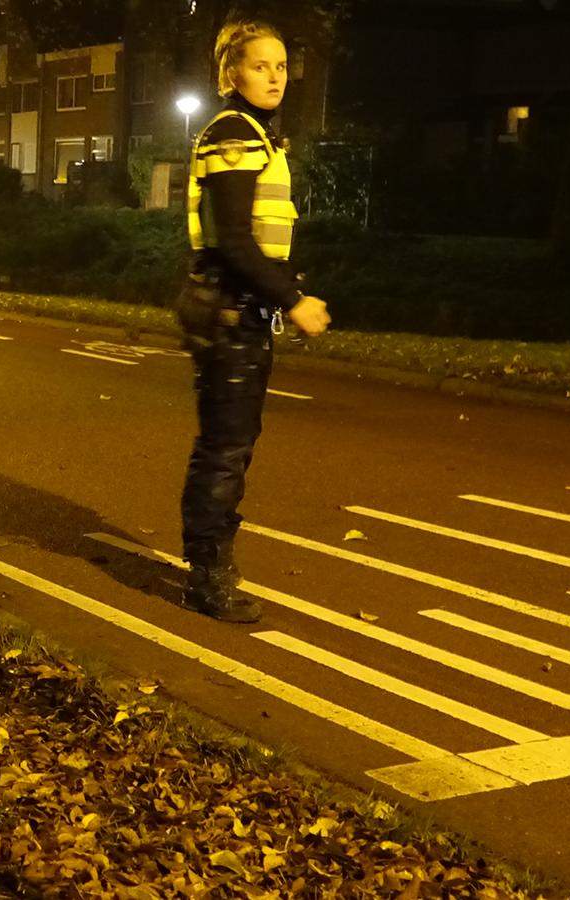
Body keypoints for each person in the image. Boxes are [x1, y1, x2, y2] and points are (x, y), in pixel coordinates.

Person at [176, 20, 331, 623]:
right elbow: (237, 243)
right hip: (228, 306)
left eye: (282, 66)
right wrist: (292, 299)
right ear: (230, 74)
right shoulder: (232, 135)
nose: (274, 77)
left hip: (242, 305)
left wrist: (281, 294)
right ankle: (208, 576)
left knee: (233, 443)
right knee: (225, 446)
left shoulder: (258, 135)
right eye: (261, 66)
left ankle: (210, 563)